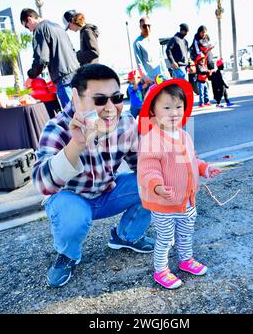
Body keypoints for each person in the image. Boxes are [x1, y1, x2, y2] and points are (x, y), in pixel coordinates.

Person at [32, 63, 154, 288]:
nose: (110, 107)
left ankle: (126, 236)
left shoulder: (125, 122)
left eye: (116, 97)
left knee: (153, 181)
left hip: (107, 193)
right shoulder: (56, 128)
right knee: (73, 216)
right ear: (76, 98)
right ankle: (68, 255)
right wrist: (76, 143)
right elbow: (42, 184)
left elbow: (142, 166)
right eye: (99, 100)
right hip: (71, 200)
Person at [137, 76, 221, 289]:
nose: (174, 112)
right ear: (153, 111)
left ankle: (185, 260)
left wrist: (204, 168)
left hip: (187, 200)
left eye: (178, 106)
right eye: (167, 107)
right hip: (164, 204)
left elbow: (192, 159)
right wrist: (156, 185)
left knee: (186, 233)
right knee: (165, 239)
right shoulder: (152, 139)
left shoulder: (184, 136)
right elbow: (148, 169)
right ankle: (161, 270)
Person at [20, 8, 79, 108]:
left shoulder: (39, 30)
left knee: (72, 115)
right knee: (85, 112)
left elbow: (42, 59)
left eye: (26, 26)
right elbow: (72, 50)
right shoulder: (58, 27)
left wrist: (31, 76)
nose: (29, 30)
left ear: (29, 19)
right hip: (77, 74)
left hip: (63, 79)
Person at [133, 17, 168, 89]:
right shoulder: (137, 43)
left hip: (161, 78)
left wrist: (166, 74)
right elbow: (139, 63)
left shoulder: (155, 40)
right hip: (149, 82)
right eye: (144, 26)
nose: (147, 28)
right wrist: (145, 77)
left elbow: (161, 58)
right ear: (140, 27)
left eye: (149, 25)